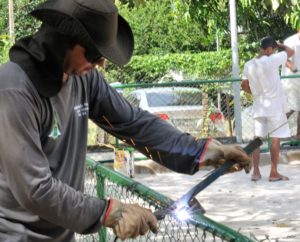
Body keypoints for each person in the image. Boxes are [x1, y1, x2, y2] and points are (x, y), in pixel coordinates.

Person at [0, 0, 251, 241]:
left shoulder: (83, 79)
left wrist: (202, 152)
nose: (100, 63)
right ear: (63, 40)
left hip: (60, 234)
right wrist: (110, 212)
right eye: (94, 53)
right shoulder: (14, 91)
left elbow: (133, 123)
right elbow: (34, 189)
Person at [241, 36, 294, 182]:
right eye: (274, 49)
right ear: (270, 49)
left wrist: (255, 94)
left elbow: (244, 85)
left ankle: (256, 172)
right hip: (275, 106)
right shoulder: (272, 59)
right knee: (275, 139)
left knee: (258, 139)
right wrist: (280, 45)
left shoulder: (249, 64)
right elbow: (290, 51)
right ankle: (273, 172)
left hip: (259, 105)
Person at [281, 29, 300, 139]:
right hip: (291, 81)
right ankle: (274, 133)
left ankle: (299, 135)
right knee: (290, 108)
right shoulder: (289, 41)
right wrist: (293, 68)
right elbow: (284, 59)